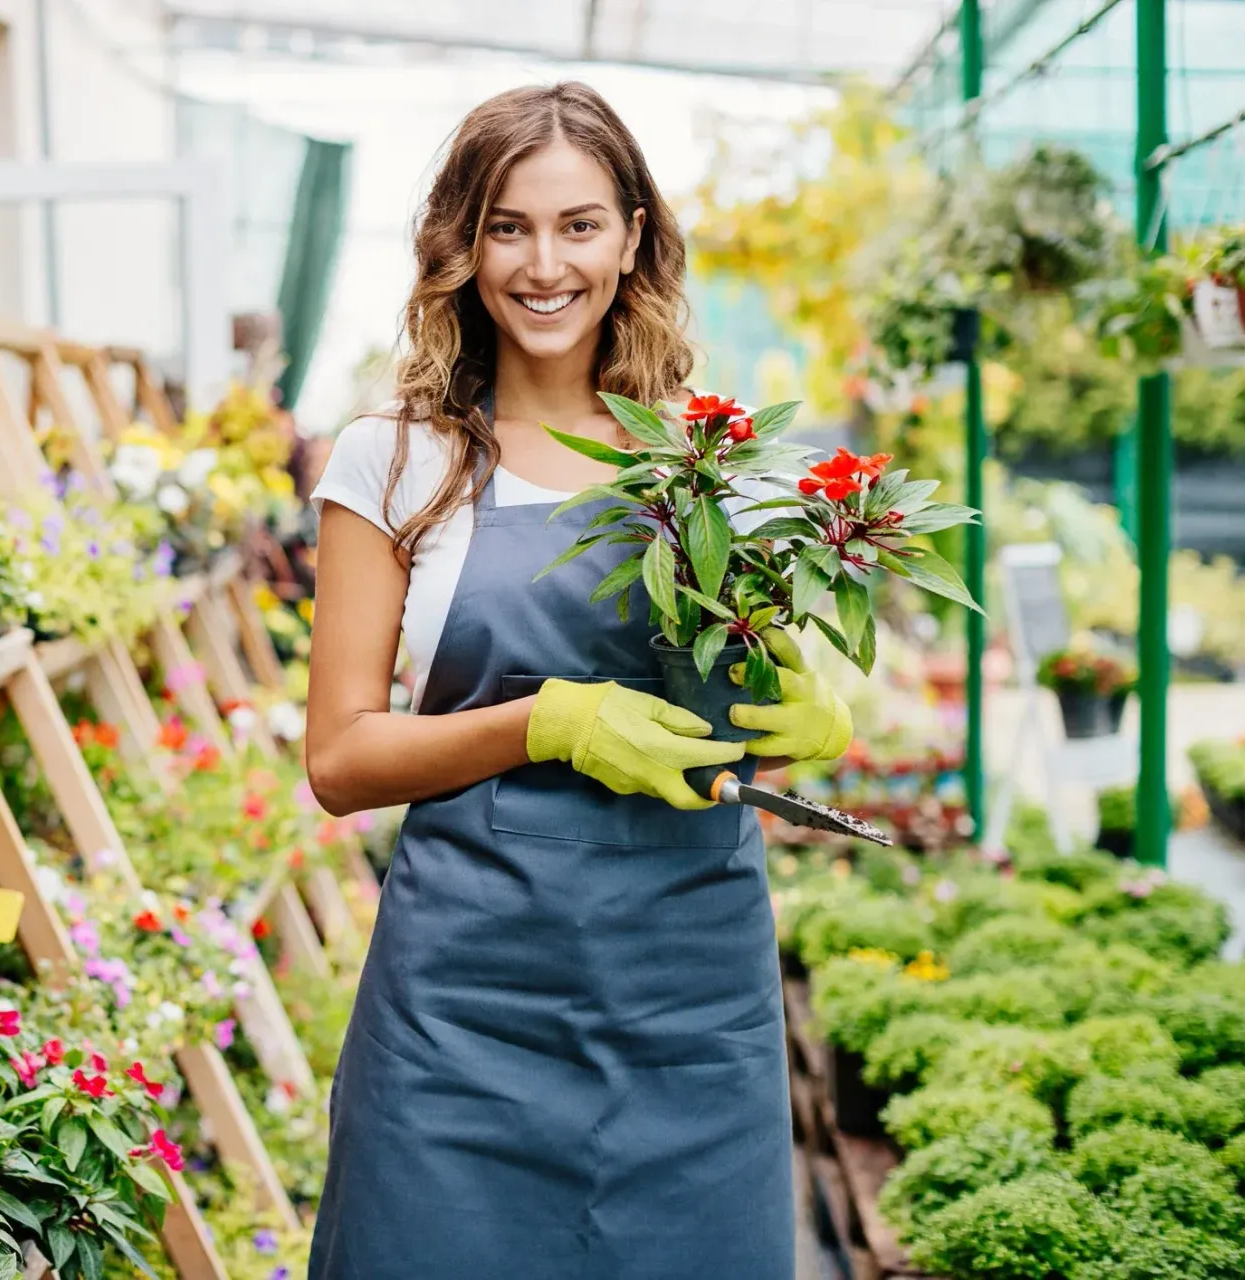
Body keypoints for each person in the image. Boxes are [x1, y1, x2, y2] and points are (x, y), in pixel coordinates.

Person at [303, 82, 853, 1278]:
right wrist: (546, 720)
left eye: (580, 225)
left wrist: (818, 716)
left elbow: (756, 707)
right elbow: (341, 761)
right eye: (508, 226)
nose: (543, 264)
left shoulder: (722, 470)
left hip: (690, 1014)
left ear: (635, 238)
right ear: (462, 242)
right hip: (462, 1020)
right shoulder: (398, 460)